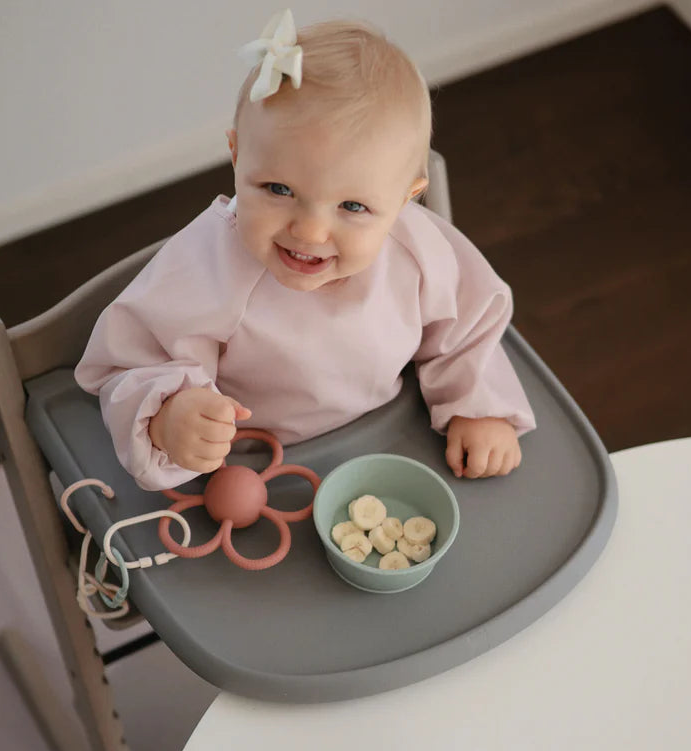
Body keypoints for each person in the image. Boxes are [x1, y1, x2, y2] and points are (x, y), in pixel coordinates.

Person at [75, 10, 535, 491]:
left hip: (393, 441)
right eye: (278, 189)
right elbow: (130, 363)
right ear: (236, 156)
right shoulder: (207, 268)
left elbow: (467, 326)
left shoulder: (417, 252)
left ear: (405, 198)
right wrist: (169, 417)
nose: (310, 231)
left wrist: (477, 408)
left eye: (353, 205)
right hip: (257, 465)